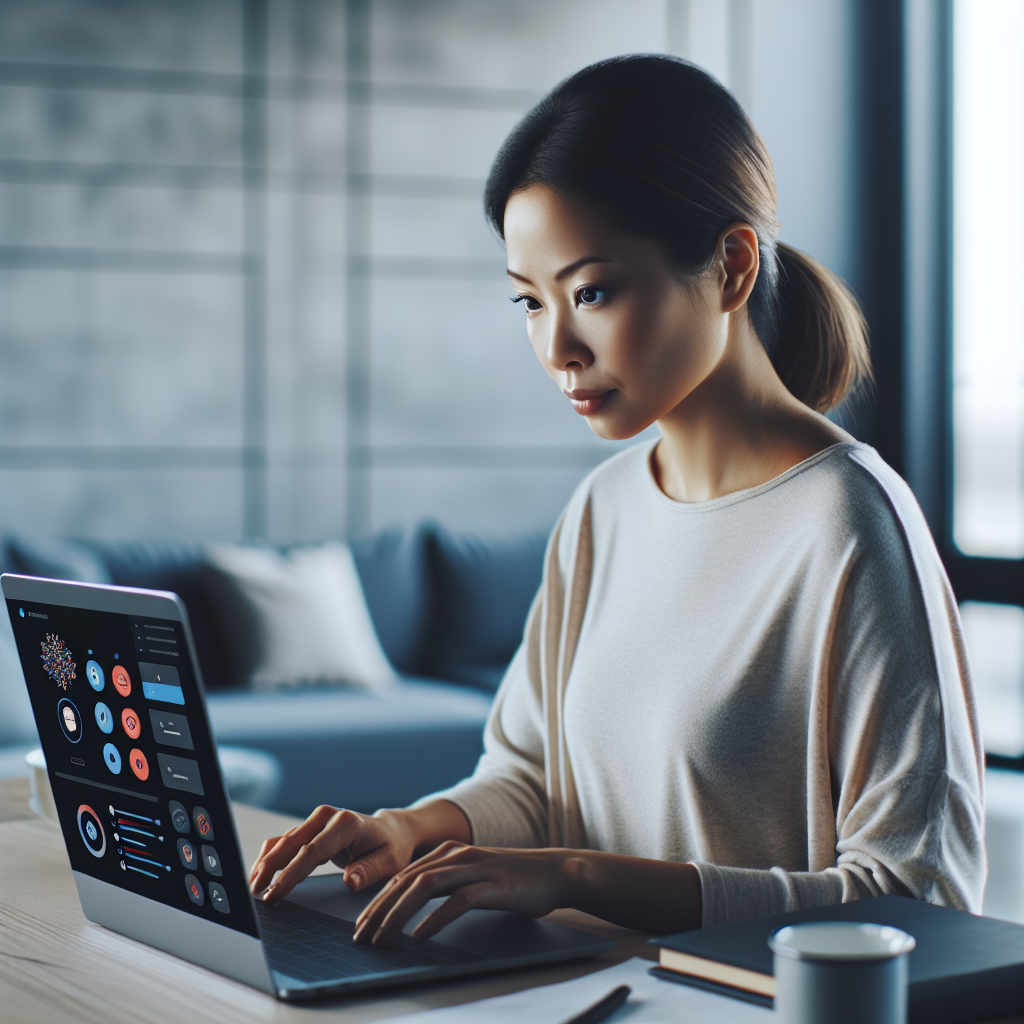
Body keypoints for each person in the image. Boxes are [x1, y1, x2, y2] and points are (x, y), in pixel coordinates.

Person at [249, 55, 985, 947]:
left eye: (591, 291)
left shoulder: (850, 525)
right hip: (577, 996)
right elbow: (531, 781)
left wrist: (577, 875)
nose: (558, 346)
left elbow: (920, 896)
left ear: (732, 265)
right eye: (529, 302)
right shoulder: (602, 511)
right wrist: (409, 827)